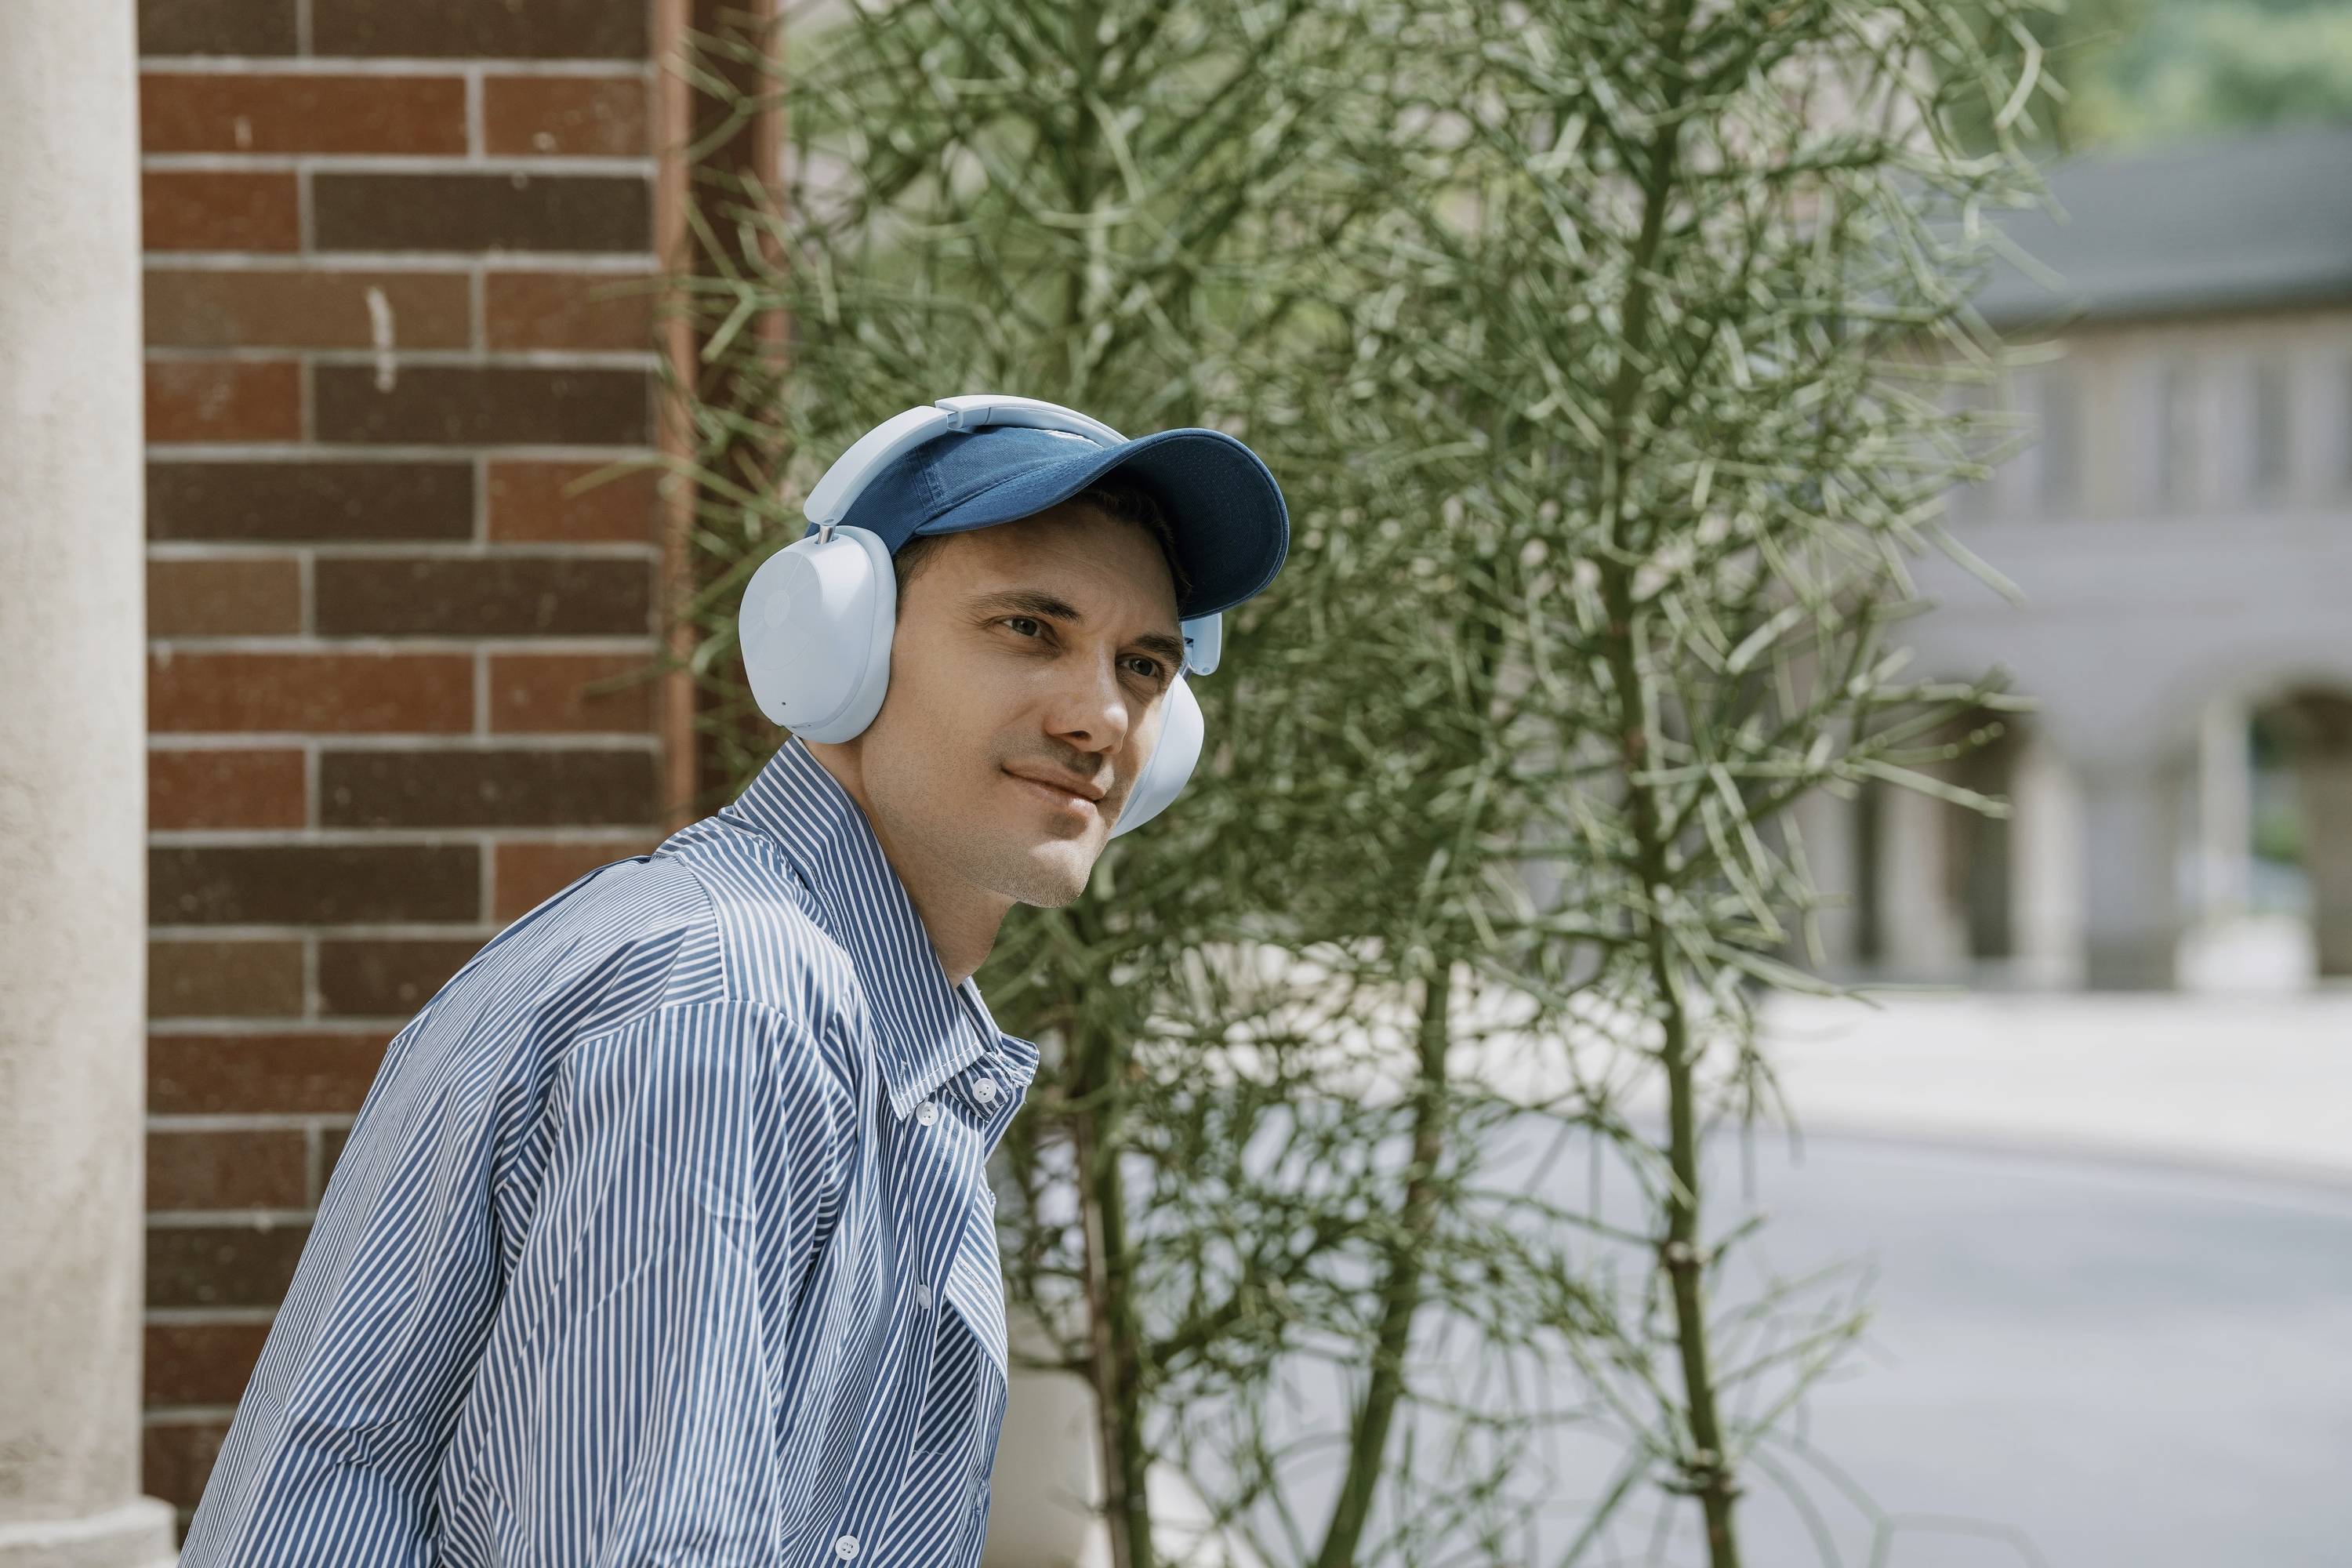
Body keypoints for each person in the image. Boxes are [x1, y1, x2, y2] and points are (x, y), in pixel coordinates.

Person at [174, 404, 1290, 1567]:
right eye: (1027, 627)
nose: (1100, 716)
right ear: (837, 645)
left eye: (1144, 665)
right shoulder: (733, 998)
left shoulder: (868, 1022)